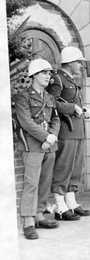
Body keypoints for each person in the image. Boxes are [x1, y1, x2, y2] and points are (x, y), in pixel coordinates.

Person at [15, 59, 60, 239]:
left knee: (45, 182)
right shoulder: (23, 97)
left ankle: (40, 215)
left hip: (49, 146)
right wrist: (45, 136)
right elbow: (26, 122)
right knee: (31, 183)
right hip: (32, 145)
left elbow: (55, 119)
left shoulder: (49, 98)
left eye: (49, 73)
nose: (48, 76)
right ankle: (28, 221)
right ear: (34, 75)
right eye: (44, 73)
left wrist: (51, 137)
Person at [47, 46, 90, 220]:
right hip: (66, 130)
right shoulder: (57, 79)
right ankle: (59, 206)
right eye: (78, 62)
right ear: (70, 62)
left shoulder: (69, 79)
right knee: (63, 167)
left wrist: (83, 109)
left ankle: (71, 202)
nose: (80, 66)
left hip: (77, 130)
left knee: (75, 168)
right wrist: (72, 108)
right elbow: (52, 102)